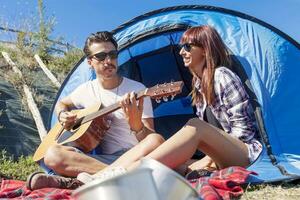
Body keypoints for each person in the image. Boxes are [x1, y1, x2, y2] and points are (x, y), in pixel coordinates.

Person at [79, 25, 263, 182]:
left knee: (195, 126)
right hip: (220, 157)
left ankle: (120, 176)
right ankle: (104, 176)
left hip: (245, 154)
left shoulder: (222, 76)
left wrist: (208, 159)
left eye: (188, 46)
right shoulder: (199, 85)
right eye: (182, 46)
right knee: (172, 165)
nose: (182, 51)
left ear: (205, 49)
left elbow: (244, 133)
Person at [26, 31, 164, 190]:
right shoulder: (85, 90)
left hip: (137, 156)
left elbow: (151, 139)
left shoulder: (137, 90)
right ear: (90, 62)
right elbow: (62, 103)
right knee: (52, 155)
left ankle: (87, 180)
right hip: (103, 161)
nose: (108, 61)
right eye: (101, 56)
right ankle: (119, 175)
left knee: (156, 141)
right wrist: (62, 114)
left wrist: (136, 126)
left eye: (113, 55)